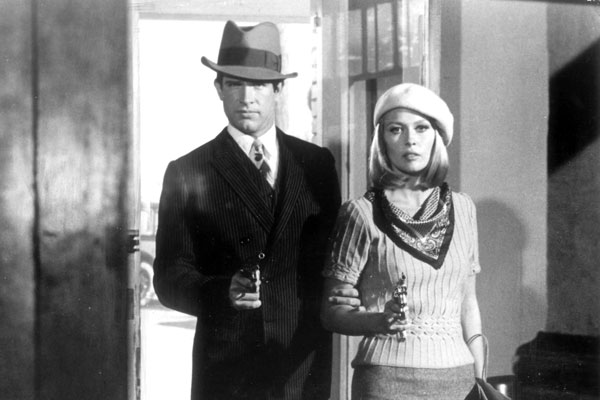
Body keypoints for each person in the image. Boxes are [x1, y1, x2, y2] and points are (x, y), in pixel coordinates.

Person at [153, 20, 342, 400]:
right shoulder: (188, 171)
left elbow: (334, 262)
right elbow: (169, 278)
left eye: (258, 85)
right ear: (218, 89)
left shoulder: (317, 164)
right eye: (235, 84)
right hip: (227, 370)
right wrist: (222, 292)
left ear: (278, 90)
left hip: (301, 362)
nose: (246, 98)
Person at [321, 83, 485, 400]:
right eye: (396, 129)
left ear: (437, 137)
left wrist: (480, 378)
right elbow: (331, 313)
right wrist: (379, 320)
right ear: (381, 140)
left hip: (458, 379)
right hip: (385, 380)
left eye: (421, 128)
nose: (410, 140)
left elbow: (468, 303)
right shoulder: (360, 214)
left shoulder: (464, 208)